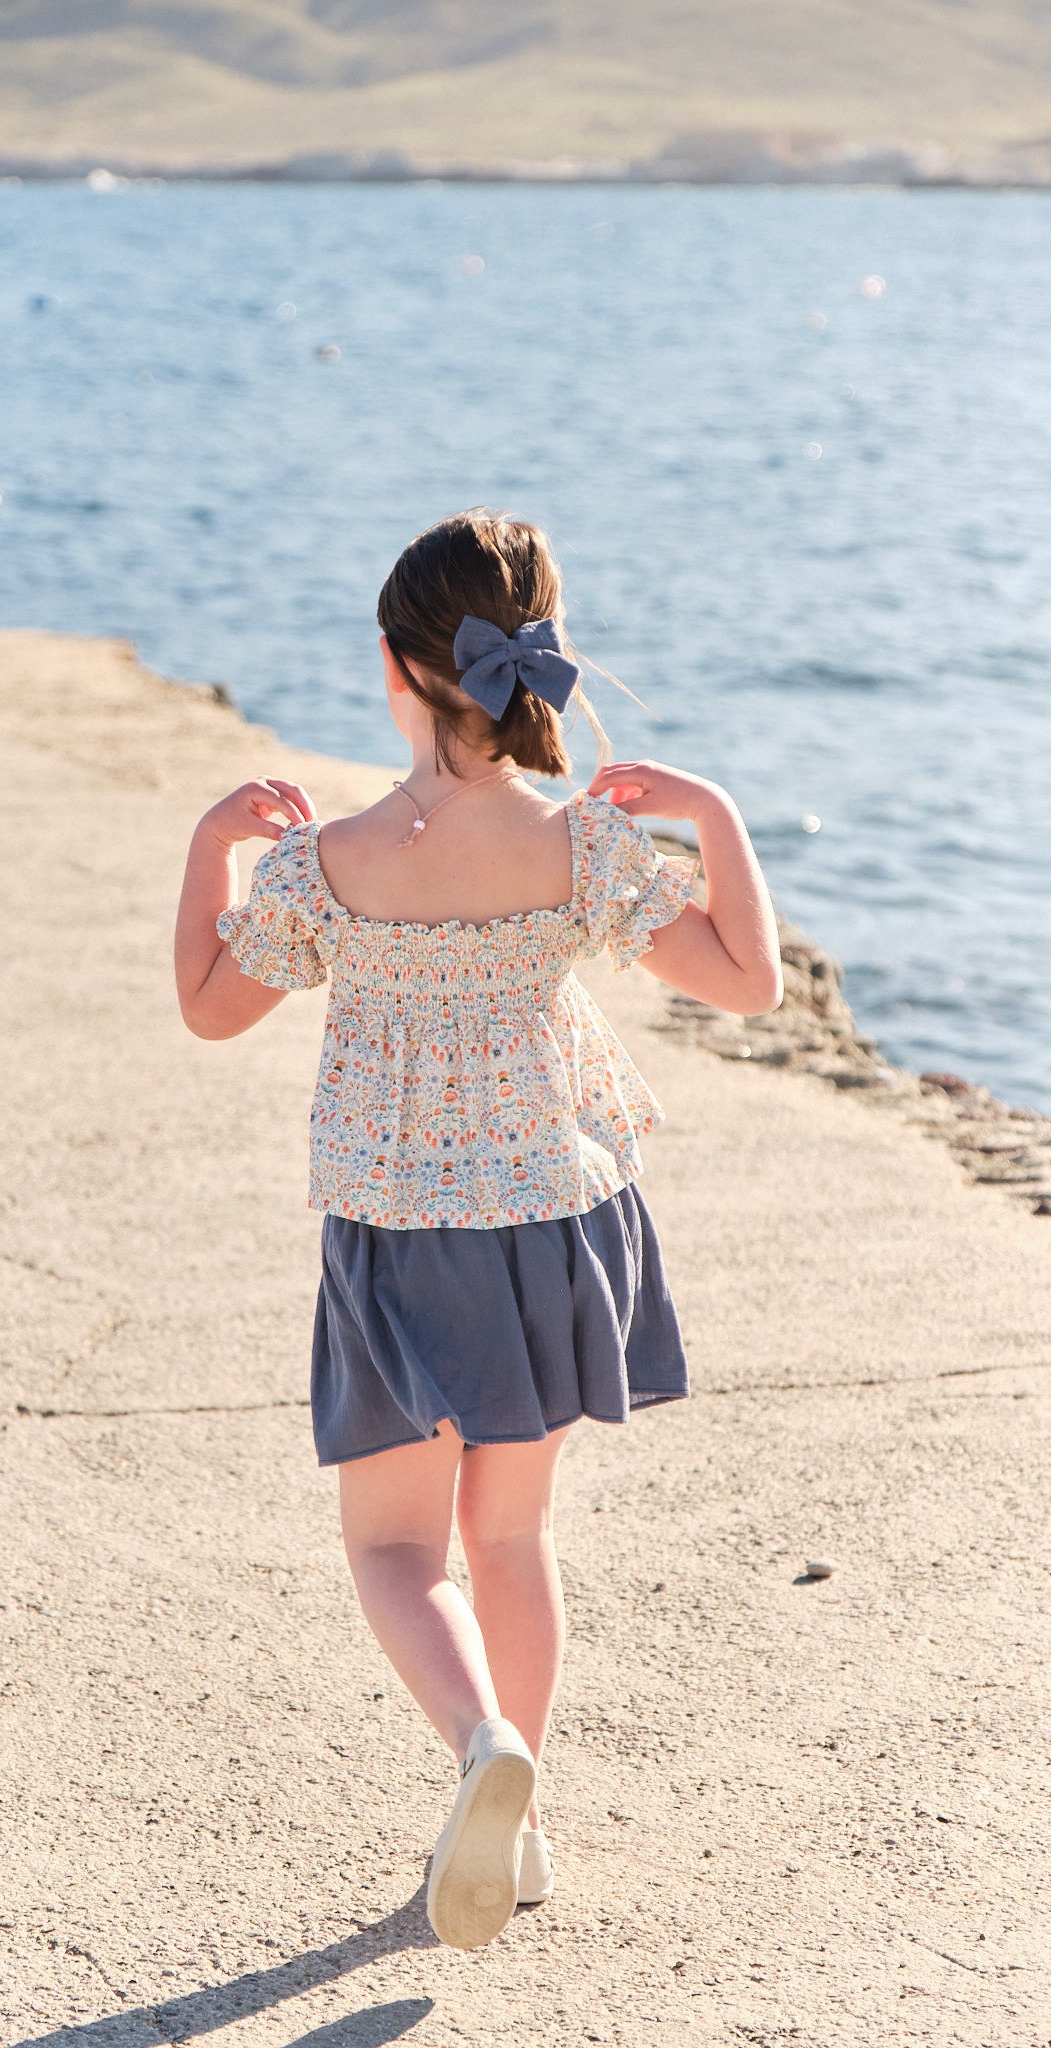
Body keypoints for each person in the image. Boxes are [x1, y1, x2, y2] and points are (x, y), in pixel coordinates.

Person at [173, 509, 782, 1951]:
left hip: (399, 1233)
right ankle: (525, 1819)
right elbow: (749, 985)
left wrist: (210, 845)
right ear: (534, 665)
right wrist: (720, 820)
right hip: (557, 1224)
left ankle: (477, 1751)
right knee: (508, 1537)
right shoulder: (587, 847)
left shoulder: (325, 866)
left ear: (395, 667)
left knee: (396, 1553)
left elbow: (208, 1004)